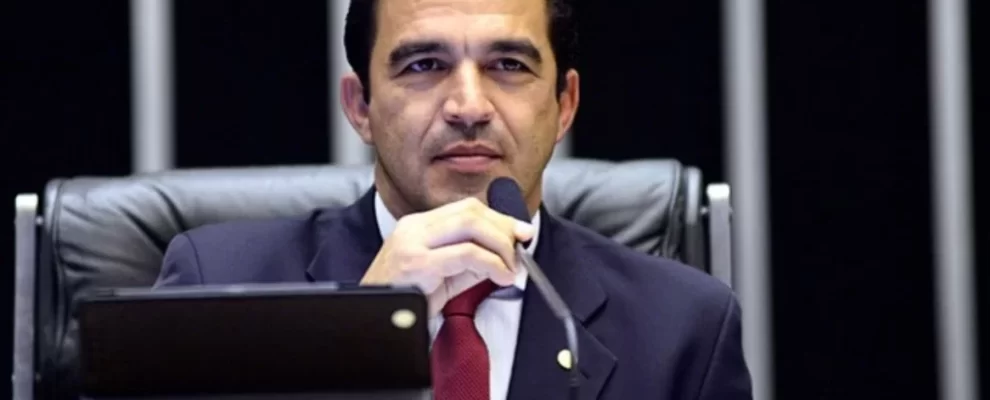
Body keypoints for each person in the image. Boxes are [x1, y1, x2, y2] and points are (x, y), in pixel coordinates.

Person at [155, 0, 753, 398]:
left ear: (564, 105)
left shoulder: (682, 327)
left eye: (508, 64)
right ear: (360, 107)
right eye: (424, 64)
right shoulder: (217, 284)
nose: (468, 106)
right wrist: (359, 336)